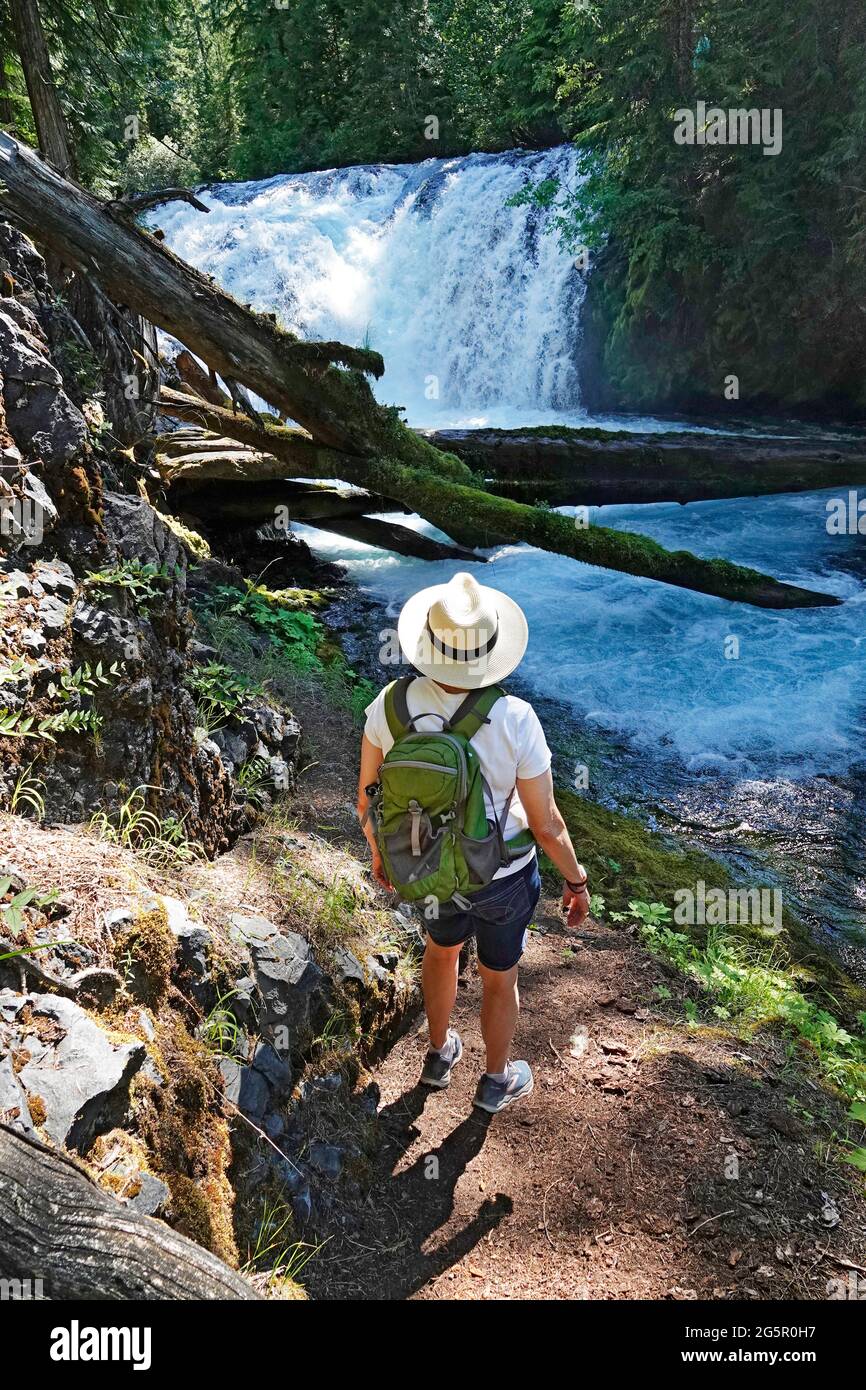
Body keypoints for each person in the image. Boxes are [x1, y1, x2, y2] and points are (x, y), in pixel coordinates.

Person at [357, 571, 589, 1114]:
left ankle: (438, 1056)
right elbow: (547, 822)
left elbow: (369, 801)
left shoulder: (388, 706)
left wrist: (381, 859)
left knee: (440, 953)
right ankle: (494, 1080)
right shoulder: (514, 717)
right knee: (498, 975)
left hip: (426, 867)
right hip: (501, 876)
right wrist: (575, 881)